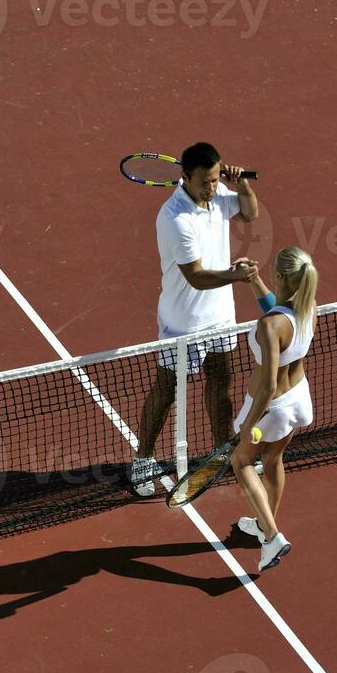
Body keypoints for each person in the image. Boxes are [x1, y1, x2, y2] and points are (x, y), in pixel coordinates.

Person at [131, 142, 259, 497]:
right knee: (167, 391)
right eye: (205, 182)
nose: (212, 188)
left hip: (221, 319)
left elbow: (250, 214)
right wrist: (236, 276)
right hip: (182, 325)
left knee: (223, 387)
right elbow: (197, 276)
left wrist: (243, 186)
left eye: (217, 179)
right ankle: (143, 459)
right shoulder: (175, 219)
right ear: (185, 177)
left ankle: (224, 450)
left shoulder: (218, 196)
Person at [231, 246, 319, 572]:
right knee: (273, 459)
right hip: (298, 397)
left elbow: (267, 385)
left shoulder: (269, 327)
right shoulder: (309, 307)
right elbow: (280, 312)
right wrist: (254, 282)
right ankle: (264, 520)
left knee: (240, 461)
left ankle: (270, 537)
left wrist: (248, 422)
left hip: (272, 406)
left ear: (280, 276)